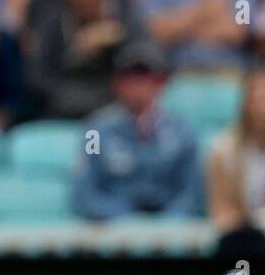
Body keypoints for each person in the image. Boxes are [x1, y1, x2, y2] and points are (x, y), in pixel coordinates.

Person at [73, 41, 203, 221]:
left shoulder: (183, 132)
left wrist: (169, 223)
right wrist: (124, 219)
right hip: (116, 228)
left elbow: (192, 193)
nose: (138, 85)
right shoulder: (96, 131)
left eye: (146, 76)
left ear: (161, 83)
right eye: (130, 77)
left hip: (170, 230)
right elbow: (85, 193)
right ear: (116, 83)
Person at [207, 69, 265, 255]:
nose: (263, 108)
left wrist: (264, 220)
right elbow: (219, 205)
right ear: (245, 105)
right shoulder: (223, 147)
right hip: (237, 235)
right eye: (257, 100)